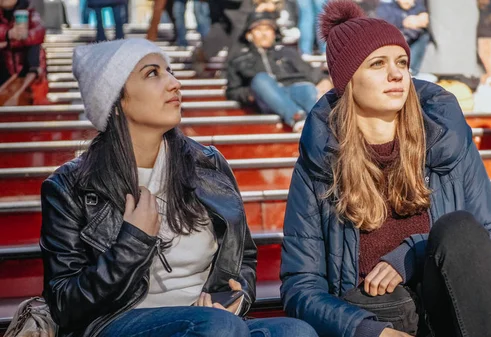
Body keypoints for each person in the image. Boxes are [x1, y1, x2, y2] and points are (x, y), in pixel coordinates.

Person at [39, 38, 318, 337]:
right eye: (152, 74)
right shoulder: (71, 186)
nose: (174, 83)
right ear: (116, 101)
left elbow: (243, 258)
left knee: (295, 331)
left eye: (170, 71)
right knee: (217, 328)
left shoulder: (207, 164)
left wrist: (235, 298)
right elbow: (63, 302)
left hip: (210, 322)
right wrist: (132, 244)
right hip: (119, 322)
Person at [279, 1, 491, 337]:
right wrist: (367, 331)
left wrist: (412, 255)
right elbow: (301, 287)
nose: (396, 74)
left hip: (452, 312)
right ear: (348, 81)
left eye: (402, 63)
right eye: (377, 64)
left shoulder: (448, 140)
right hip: (375, 317)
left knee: (460, 230)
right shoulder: (319, 160)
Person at [226, 11, 332, 132]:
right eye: (258, 29)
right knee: (261, 80)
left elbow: (309, 71)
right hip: (266, 98)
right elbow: (232, 90)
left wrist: (324, 80)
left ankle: (323, 124)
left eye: (268, 29)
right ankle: (297, 117)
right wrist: (249, 94)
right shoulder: (239, 59)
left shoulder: (287, 52)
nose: (264, 34)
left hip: (293, 90)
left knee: (307, 88)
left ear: (274, 33)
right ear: (249, 35)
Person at [0, 0, 46, 104]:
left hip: (24, 77)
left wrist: (10, 42)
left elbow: (39, 32)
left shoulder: (30, 14)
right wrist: (8, 34)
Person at [376, 0, 429, 75]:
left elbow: (425, 20)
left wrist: (414, 21)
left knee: (424, 36)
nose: (407, 1)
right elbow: (384, 26)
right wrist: (406, 22)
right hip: (393, 39)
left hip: (412, 37)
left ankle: (410, 71)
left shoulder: (417, 5)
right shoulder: (386, 6)